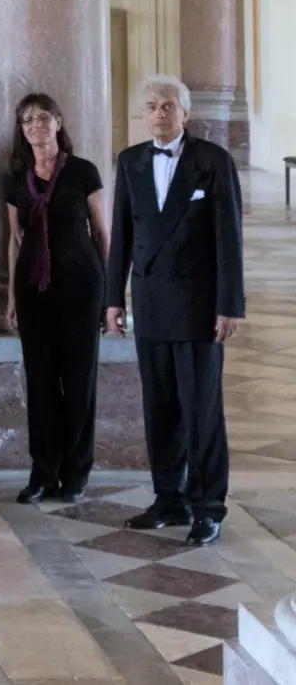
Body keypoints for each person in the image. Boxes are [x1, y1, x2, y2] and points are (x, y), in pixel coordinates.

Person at [106, 76, 244, 547]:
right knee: (159, 407)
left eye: (168, 106)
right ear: (143, 115)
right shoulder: (130, 162)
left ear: (185, 114)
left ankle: (208, 507)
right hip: (150, 304)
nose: (160, 114)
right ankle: (169, 497)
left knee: (201, 411)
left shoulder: (212, 161)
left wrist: (230, 305)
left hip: (199, 308)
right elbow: (120, 238)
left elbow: (229, 239)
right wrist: (112, 299)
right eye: (151, 106)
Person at [3, 93, 109, 505]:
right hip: (34, 289)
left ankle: (76, 472)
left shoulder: (83, 171)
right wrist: (12, 295)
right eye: (27, 120)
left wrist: (111, 294)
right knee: (41, 381)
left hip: (82, 285)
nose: (36, 126)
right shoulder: (17, 178)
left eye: (44, 118)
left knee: (80, 381)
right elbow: (14, 241)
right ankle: (43, 471)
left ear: (59, 123)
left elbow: (102, 232)